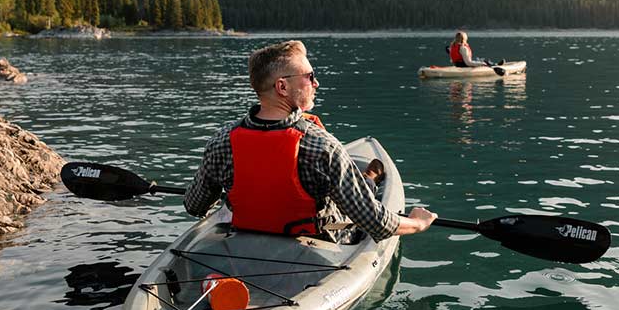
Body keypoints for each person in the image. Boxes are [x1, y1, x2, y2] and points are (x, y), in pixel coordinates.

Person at [184, 40, 436, 241]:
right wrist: (417, 223)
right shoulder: (322, 147)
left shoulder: (220, 142)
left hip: (245, 239)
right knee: (361, 192)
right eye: (309, 76)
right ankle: (368, 179)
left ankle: (368, 178)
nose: (316, 83)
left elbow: (195, 206)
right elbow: (375, 222)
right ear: (282, 87)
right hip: (318, 245)